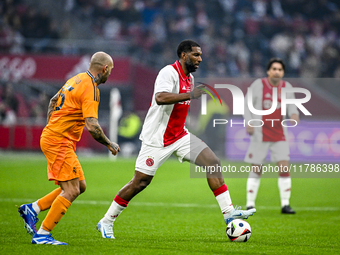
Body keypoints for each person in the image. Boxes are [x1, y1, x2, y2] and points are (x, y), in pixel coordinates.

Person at [96, 40, 256, 239]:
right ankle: (106, 221)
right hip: (157, 139)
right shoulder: (168, 73)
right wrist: (189, 94)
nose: (200, 59)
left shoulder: (190, 78)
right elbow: (160, 98)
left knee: (213, 163)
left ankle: (228, 212)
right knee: (140, 182)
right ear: (183, 55)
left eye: (200, 55)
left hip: (180, 135)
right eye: (196, 55)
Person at [17, 51, 120, 245]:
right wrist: (109, 143)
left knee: (80, 186)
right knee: (71, 190)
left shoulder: (77, 78)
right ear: (104, 68)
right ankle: (43, 234)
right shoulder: (91, 88)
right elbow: (92, 125)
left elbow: (52, 100)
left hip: (54, 137)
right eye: (110, 70)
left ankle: (34, 208)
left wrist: (51, 127)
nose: (110, 75)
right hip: (59, 141)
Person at [244, 58, 299, 214]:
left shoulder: (286, 87)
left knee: (284, 166)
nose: (277, 72)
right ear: (268, 71)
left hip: (279, 133)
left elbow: (292, 106)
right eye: (274, 69)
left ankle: (285, 204)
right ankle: (250, 204)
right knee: (256, 167)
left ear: (283, 72)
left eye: (280, 69)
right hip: (260, 133)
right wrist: (249, 122)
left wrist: (294, 114)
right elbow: (246, 104)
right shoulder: (258, 85)